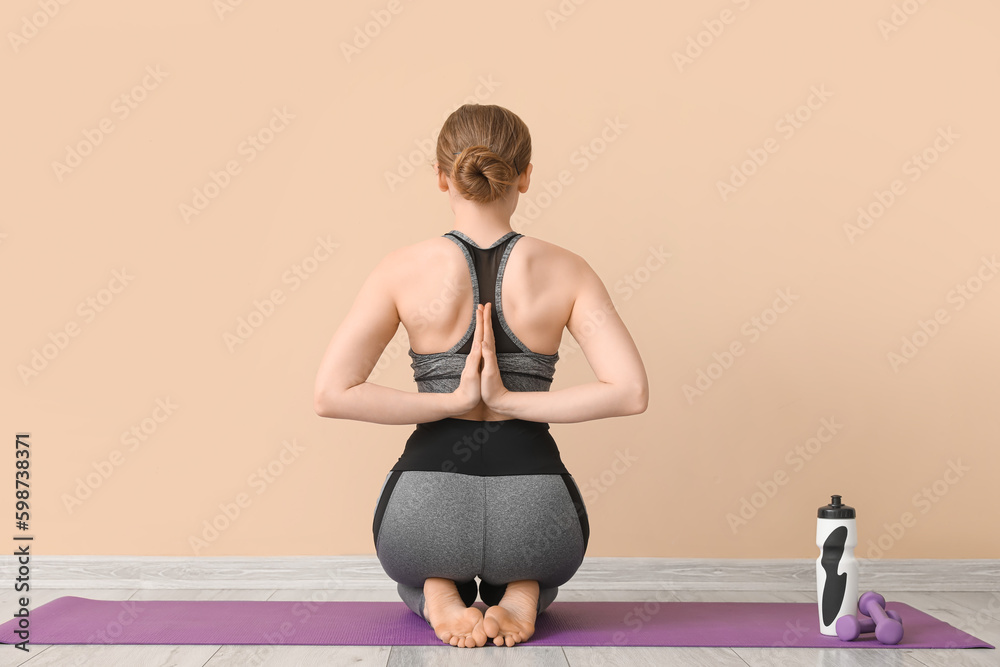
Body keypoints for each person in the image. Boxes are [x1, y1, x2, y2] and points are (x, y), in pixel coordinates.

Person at [314, 104, 648, 648]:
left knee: (410, 569)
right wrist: (511, 401)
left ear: (443, 176)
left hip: (422, 518)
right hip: (537, 518)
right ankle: (524, 589)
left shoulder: (401, 268)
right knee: (542, 566)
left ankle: (433, 591)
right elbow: (631, 392)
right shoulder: (566, 268)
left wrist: (451, 401)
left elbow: (331, 394)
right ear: (526, 174)